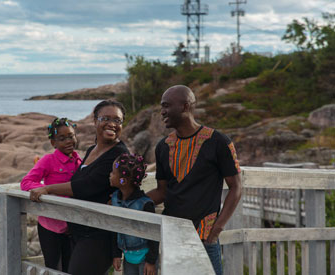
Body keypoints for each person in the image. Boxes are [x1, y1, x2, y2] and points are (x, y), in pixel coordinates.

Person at [146, 85, 242, 275]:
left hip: (204, 237)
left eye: (166, 105)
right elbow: (162, 192)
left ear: (185, 106)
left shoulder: (218, 142)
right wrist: (130, 201)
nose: (162, 111)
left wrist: (216, 230)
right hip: (171, 235)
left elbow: (236, 188)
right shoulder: (163, 147)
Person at [30, 100, 129, 275]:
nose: (112, 124)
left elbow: (86, 186)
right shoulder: (92, 149)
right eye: (106, 118)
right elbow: (79, 180)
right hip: (78, 230)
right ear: (95, 120)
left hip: (99, 233)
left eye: (118, 120)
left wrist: (47, 189)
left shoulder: (119, 154)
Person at [20, 117, 82, 271]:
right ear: (53, 143)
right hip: (50, 226)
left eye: (71, 136)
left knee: (70, 267)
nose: (68, 141)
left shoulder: (79, 162)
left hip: (73, 226)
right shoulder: (48, 160)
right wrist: (46, 191)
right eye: (62, 138)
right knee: (53, 267)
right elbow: (26, 182)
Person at [110, 153, 158, 275]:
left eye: (113, 172)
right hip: (128, 257)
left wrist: (151, 261)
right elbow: (115, 227)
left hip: (145, 259)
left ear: (123, 180)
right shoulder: (115, 199)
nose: (110, 175)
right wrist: (116, 254)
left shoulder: (145, 204)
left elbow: (154, 235)